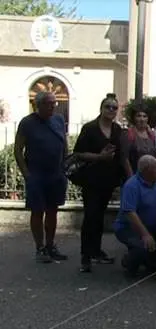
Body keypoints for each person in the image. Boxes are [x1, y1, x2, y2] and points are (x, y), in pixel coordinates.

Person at [74, 94, 126, 272]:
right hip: (91, 179)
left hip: (108, 180)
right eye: (108, 107)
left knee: (99, 217)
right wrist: (99, 157)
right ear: (101, 108)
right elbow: (78, 154)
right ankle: (85, 256)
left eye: (114, 108)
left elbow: (120, 156)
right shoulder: (90, 128)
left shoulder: (117, 130)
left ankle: (96, 251)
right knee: (90, 216)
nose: (111, 110)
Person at [14, 91, 68, 262]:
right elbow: (18, 150)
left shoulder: (58, 120)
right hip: (36, 174)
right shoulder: (27, 123)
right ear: (38, 105)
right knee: (37, 211)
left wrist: (64, 166)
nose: (52, 106)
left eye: (54, 103)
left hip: (56, 174)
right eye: (48, 103)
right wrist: (27, 174)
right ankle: (40, 248)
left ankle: (51, 245)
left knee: (53, 211)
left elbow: (64, 143)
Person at [114, 155, 156, 277]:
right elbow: (130, 212)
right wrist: (145, 234)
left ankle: (151, 261)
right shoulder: (132, 185)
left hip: (152, 225)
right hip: (128, 228)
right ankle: (129, 262)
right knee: (141, 246)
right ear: (146, 170)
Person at [123, 104, 156, 177]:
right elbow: (125, 159)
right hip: (134, 176)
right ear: (134, 118)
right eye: (138, 116)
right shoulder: (128, 134)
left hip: (150, 177)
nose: (142, 119)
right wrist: (131, 177)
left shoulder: (151, 135)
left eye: (144, 116)